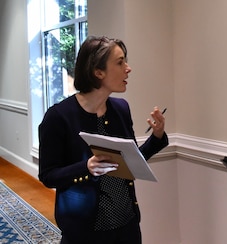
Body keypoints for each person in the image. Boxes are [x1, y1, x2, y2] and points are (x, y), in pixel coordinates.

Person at [38, 36, 169, 243]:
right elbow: (48, 176)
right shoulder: (58, 116)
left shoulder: (121, 109)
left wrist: (157, 136)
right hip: (83, 231)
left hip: (127, 224)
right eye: (120, 62)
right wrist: (86, 167)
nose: (128, 68)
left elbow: (131, 162)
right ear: (98, 72)